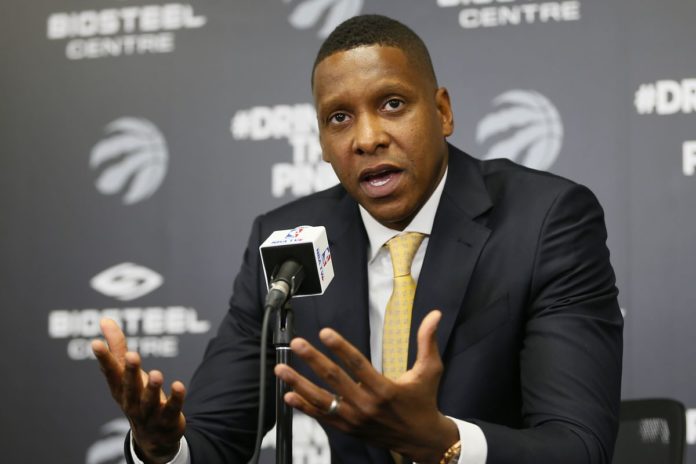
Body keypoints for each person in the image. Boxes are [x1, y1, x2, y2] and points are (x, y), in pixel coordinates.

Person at [92, 14, 623, 464]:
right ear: (323, 143)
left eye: (392, 104)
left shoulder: (545, 221)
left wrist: (444, 441)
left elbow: (577, 447)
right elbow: (215, 435)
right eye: (339, 118)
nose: (367, 139)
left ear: (442, 111)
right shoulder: (285, 243)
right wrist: (161, 447)